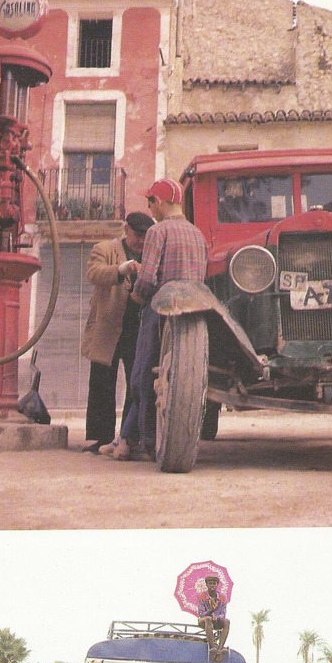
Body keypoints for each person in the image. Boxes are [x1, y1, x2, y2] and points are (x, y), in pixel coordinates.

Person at [112, 178, 208, 462]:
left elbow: (148, 277)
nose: (150, 207)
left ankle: (144, 441)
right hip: (191, 312)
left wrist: (136, 299)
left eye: (151, 201)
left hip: (160, 309)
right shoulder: (197, 234)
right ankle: (131, 438)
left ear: (163, 202)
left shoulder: (158, 232)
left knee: (142, 376)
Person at [81, 211, 154, 453]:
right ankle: (100, 438)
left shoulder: (152, 253)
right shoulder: (104, 248)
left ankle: (129, 437)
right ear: (126, 229)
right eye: (137, 235)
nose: (141, 242)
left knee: (137, 384)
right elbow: (94, 273)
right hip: (108, 326)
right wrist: (121, 269)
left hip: (138, 329)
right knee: (102, 382)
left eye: (145, 237)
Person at [197, 574, 230, 658]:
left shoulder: (222, 597)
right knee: (208, 619)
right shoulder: (202, 596)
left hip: (217, 621)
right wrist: (211, 610)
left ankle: (220, 648)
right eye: (210, 583)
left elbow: (223, 613)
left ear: (217, 585)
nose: (212, 585)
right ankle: (212, 648)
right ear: (207, 585)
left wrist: (217, 617)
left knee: (227, 621)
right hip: (204, 621)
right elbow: (201, 613)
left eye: (214, 583)